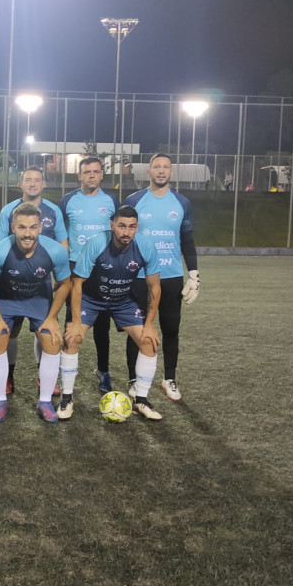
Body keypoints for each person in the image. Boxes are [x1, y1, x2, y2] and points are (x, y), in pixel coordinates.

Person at [62, 205, 164, 421]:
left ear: (137, 227)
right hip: (91, 299)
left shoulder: (145, 246)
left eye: (132, 227)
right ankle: (66, 398)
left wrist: (149, 324)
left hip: (122, 300)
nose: (126, 232)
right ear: (112, 225)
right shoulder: (97, 243)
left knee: (149, 342)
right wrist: (76, 321)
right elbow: (77, 283)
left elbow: (154, 287)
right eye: (121, 226)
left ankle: (141, 400)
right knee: (73, 338)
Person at [0, 203, 71, 422]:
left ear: (40, 227)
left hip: (37, 298)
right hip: (7, 298)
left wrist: (52, 318)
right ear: (13, 228)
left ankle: (45, 402)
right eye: (22, 227)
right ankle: (0, 400)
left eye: (33, 227)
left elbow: (65, 283)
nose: (28, 233)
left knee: (52, 340)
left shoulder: (55, 251)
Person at [124, 152, 199, 403]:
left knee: (171, 328)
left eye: (165, 167)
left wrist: (194, 274)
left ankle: (169, 378)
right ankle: (134, 380)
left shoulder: (182, 202)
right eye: (156, 166)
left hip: (171, 275)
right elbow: (124, 237)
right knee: (136, 329)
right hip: (139, 276)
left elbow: (187, 241)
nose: (161, 170)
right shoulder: (134, 200)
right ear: (149, 171)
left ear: (171, 172)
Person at [0, 165, 69, 394]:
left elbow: (62, 244)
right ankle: (8, 376)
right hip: (11, 282)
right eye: (28, 180)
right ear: (21, 183)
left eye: (37, 180)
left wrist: (58, 274)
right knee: (11, 331)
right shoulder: (8, 210)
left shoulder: (53, 210)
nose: (32, 183)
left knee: (44, 329)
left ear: (43, 184)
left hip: (40, 280)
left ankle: (44, 377)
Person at [59, 156, 120, 394]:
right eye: (87, 172)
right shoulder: (68, 201)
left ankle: (103, 370)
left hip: (103, 267)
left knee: (102, 323)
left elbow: (119, 232)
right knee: (71, 320)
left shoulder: (111, 201)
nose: (91, 175)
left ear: (101, 174)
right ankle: (65, 372)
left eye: (96, 171)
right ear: (79, 175)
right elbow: (59, 233)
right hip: (75, 267)